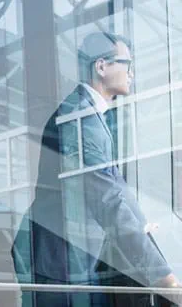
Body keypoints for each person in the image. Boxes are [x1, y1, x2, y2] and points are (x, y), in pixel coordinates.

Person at [11, 32, 181, 306]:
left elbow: (113, 189)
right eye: (128, 64)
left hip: (70, 257)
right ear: (101, 67)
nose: (132, 74)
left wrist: (141, 227)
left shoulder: (89, 115)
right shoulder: (81, 118)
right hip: (60, 261)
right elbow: (108, 198)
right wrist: (162, 277)